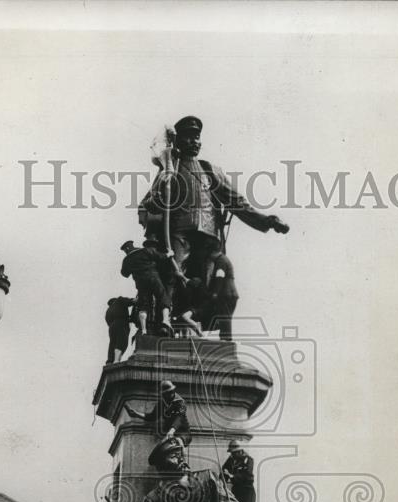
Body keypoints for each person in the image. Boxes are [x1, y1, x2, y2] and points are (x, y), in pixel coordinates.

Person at [139, 116, 289, 307]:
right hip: (179, 231)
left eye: (197, 137)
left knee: (206, 282)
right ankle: (165, 318)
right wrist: (157, 199)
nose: (194, 141)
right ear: (178, 141)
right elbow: (148, 203)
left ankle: (193, 320)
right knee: (173, 273)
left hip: (209, 235)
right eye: (189, 136)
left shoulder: (210, 170)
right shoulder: (170, 169)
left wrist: (267, 220)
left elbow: (236, 201)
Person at [120, 239, 173, 336]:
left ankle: (144, 330)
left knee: (143, 305)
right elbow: (160, 257)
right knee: (163, 297)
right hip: (153, 277)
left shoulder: (126, 260)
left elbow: (124, 274)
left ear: (126, 250)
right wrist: (169, 254)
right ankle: (165, 320)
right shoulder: (145, 251)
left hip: (140, 283)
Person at [124, 379, 192, 450]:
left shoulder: (180, 402)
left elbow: (179, 418)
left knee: (178, 443)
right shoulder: (162, 403)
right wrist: (136, 414)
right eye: (168, 393)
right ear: (163, 394)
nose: (171, 394)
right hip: (169, 434)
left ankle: (182, 459)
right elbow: (152, 417)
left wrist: (171, 431)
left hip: (183, 433)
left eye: (172, 391)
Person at [105, 296, 135, 363]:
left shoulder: (108, 310)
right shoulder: (119, 300)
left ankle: (110, 360)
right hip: (121, 324)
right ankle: (116, 360)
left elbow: (107, 321)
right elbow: (130, 301)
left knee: (113, 343)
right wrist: (134, 300)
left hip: (111, 327)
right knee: (122, 342)